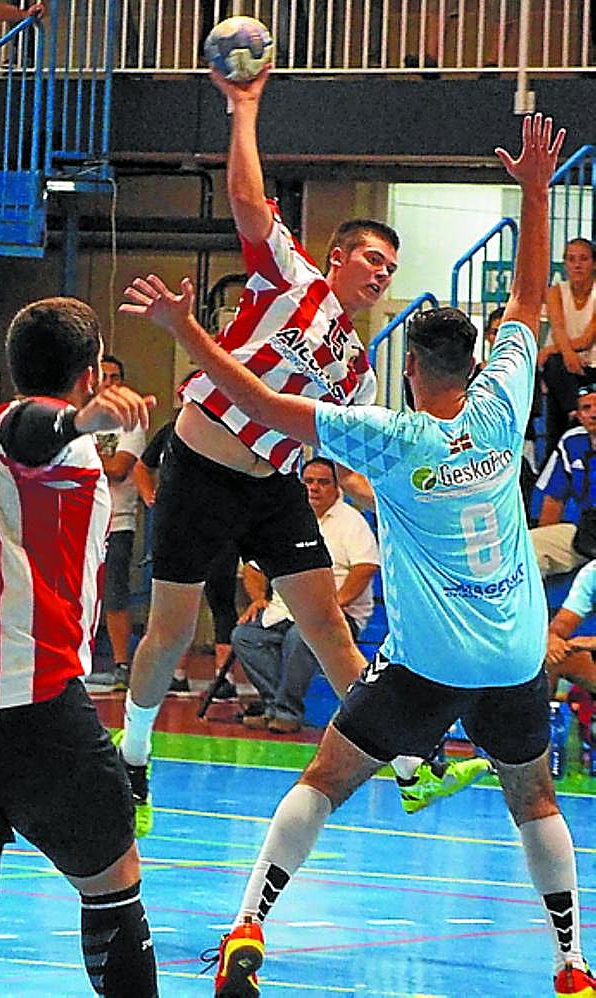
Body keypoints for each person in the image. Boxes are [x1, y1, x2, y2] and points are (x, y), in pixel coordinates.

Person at [120, 114, 596, 998]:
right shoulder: (504, 404)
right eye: (371, 259)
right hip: (515, 655)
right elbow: (528, 301)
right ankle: (573, 964)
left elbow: (266, 404)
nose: (380, 273)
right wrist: (537, 192)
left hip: (428, 659)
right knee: (534, 798)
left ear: (411, 370)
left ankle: (249, 924)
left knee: (324, 779)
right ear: (481, 365)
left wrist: (186, 333)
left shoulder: (387, 430)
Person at [115, 65, 488, 840]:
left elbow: (345, 451)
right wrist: (244, 109)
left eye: (392, 270)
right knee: (171, 630)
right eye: (373, 261)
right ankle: (134, 756)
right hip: (201, 469)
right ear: (338, 256)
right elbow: (247, 198)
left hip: (275, 487)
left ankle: (412, 768)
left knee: (329, 626)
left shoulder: (360, 369)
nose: (383, 275)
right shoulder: (290, 276)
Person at [0, 297, 158, 996]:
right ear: (89, 375)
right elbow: (32, 432)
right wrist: (80, 421)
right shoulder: (53, 438)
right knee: (113, 882)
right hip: (31, 702)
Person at [233, 456, 379, 734]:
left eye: (323, 482)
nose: (314, 488)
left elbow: (365, 568)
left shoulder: (352, 522)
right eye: (309, 481)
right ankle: (275, 706)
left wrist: (332, 606)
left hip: (337, 616)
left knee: (301, 635)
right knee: (245, 636)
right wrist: (258, 598)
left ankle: (286, 713)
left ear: (337, 487)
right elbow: (253, 567)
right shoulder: (287, 519)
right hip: (284, 611)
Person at [132, 415, 241, 697]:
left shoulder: (231, 428)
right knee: (175, 602)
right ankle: (175, 672)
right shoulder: (171, 431)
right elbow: (142, 466)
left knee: (221, 598)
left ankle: (224, 677)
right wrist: (150, 497)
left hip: (221, 525)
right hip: (179, 526)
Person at [95, 354, 146, 692]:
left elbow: (118, 468)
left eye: (115, 377)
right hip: (77, 521)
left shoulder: (130, 421)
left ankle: (121, 664)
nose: (109, 383)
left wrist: (83, 454)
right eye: (104, 376)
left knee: (115, 593)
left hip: (117, 521)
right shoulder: (79, 416)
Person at [538, 237, 596, 459]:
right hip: (563, 367)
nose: (577, 265)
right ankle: (575, 413)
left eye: (583, 259)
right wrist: (567, 354)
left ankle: (575, 414)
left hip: (590, 366)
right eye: (571, 259)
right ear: (564, 264)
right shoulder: (555, 292)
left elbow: (587, 339)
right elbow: (559, 329)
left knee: (554, 364)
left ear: (593, 263)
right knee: (555, 367)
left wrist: (551, 349)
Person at [530, 384, 596, 577]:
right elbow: (554, 498)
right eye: (586, 408)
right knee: (530, 546)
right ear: (578, 416)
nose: (594, 414)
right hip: (586, 534)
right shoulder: (571, 442)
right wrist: (547, 534)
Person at [546, 559, 596, 696]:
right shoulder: (592, 572)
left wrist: (593, 642)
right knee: (550, 656)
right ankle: (541, 708)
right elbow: (557, 631)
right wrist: (553, 641)